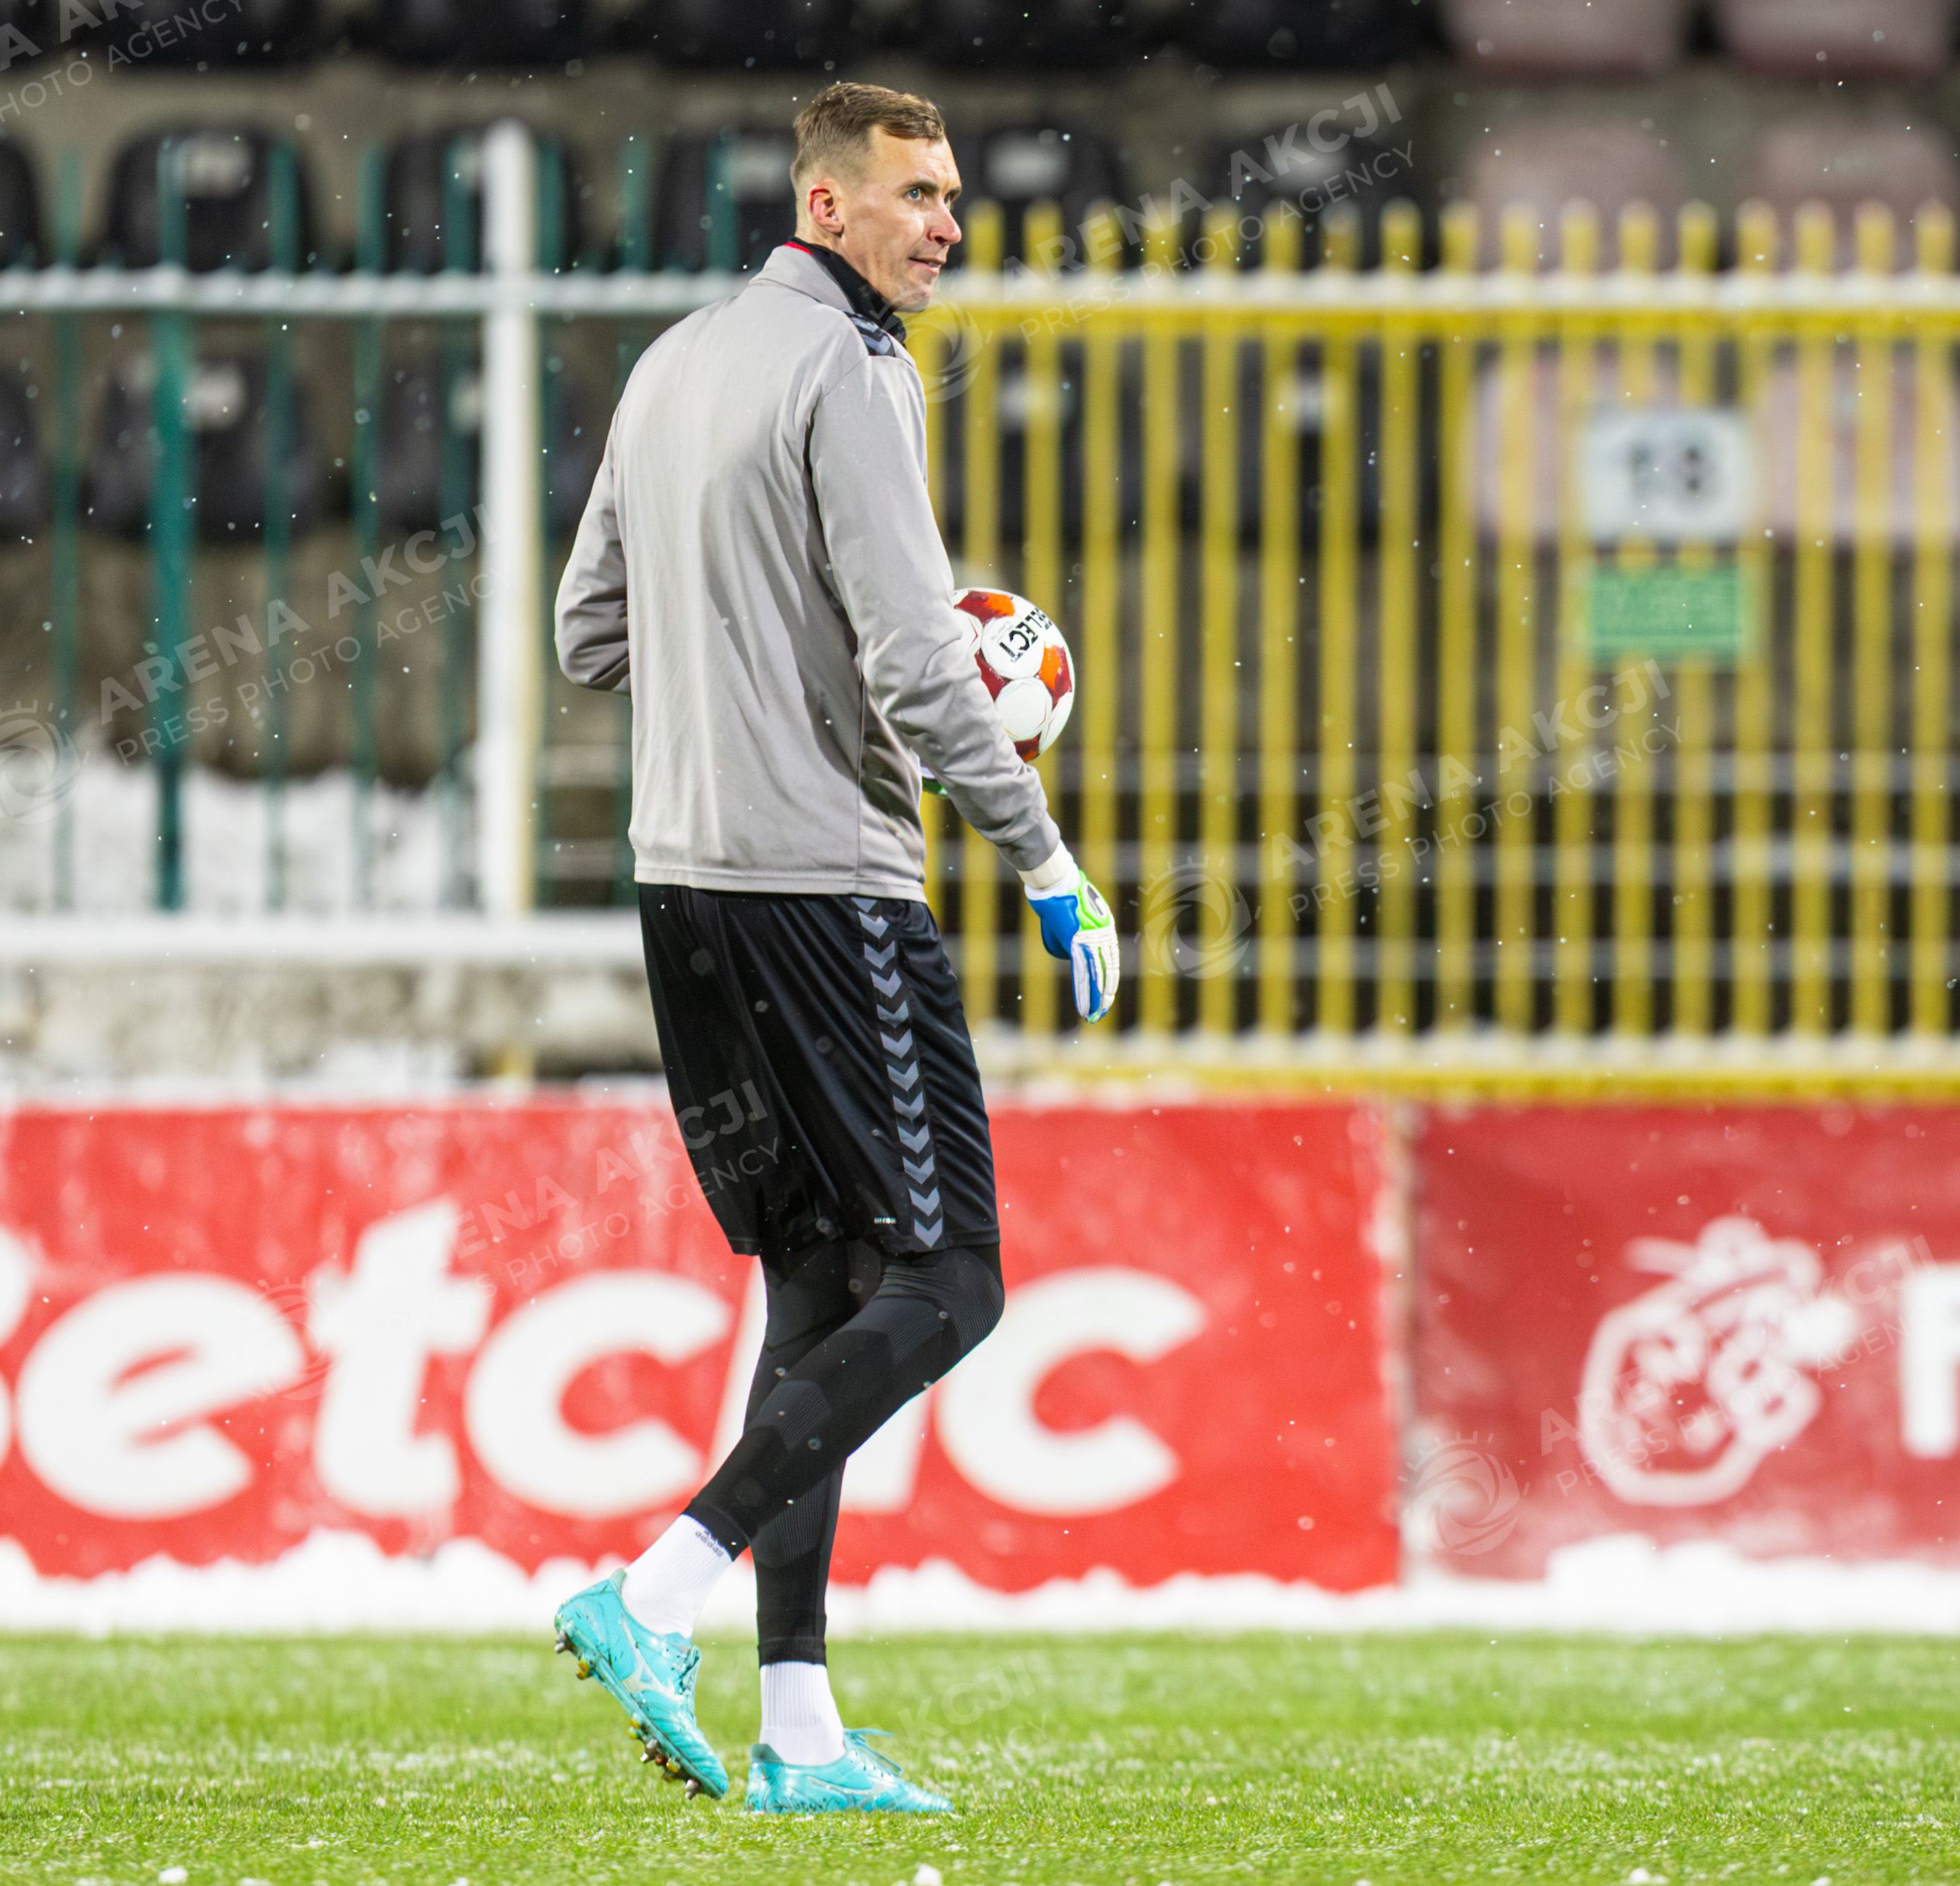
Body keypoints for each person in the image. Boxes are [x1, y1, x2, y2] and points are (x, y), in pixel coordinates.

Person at [546, 79, 1119, 1816]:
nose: (946, 222)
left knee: (816, 1285)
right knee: (951, 1283)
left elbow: (589, 635)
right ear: (826, 204)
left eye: (951, 193)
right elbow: (919, 673)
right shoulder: (857, 370)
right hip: (827, 891)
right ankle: (656, 1591)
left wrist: (740, 653)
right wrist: (1047, 862)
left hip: (684, 887)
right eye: (915, 194)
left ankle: (797, 1729)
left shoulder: (671, 366)